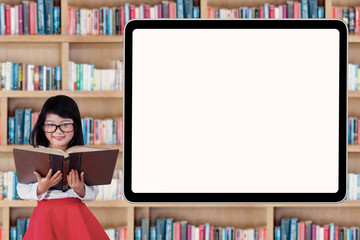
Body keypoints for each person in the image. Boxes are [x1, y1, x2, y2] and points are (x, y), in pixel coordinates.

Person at [17, 95, 109, 240]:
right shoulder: (35, 154)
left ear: (75, 126)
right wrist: (41, 187)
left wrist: (80, 189)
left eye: (65, 124)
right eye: (51, 125)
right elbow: (21, 189)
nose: (58, 131)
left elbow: (93, 193)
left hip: (75, 217)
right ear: (42, 126)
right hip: (45, 217)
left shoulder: (82, 154)